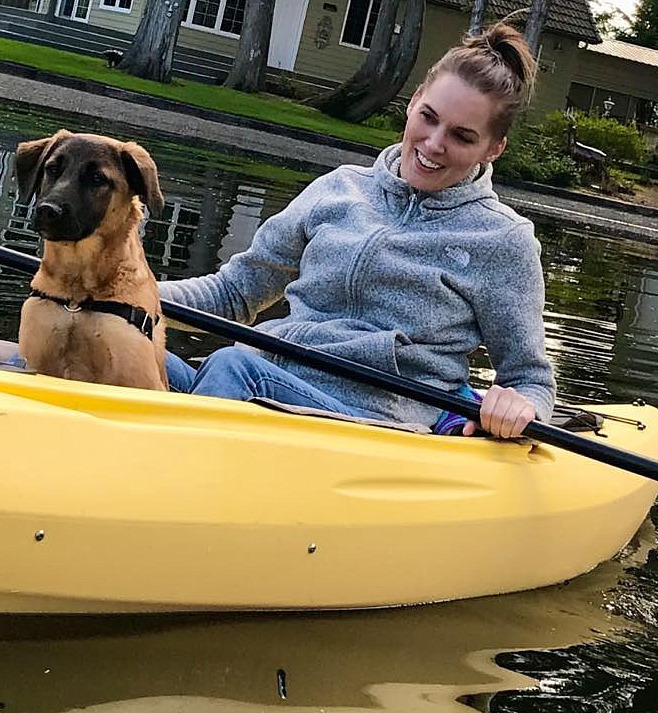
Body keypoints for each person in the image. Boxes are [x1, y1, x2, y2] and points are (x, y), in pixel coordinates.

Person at [159, 22, 555, 438]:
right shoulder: (339, 188)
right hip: (258, 385)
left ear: (493, 149)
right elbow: (233, 293)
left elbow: (531, 379)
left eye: (461, 135)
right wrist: (126, 296)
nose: (435, 143)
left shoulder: (503, 240)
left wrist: (518, 404)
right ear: (414, 101)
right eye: (429, 118)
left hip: (369, 426)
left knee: (232, 366)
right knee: (102, 337)